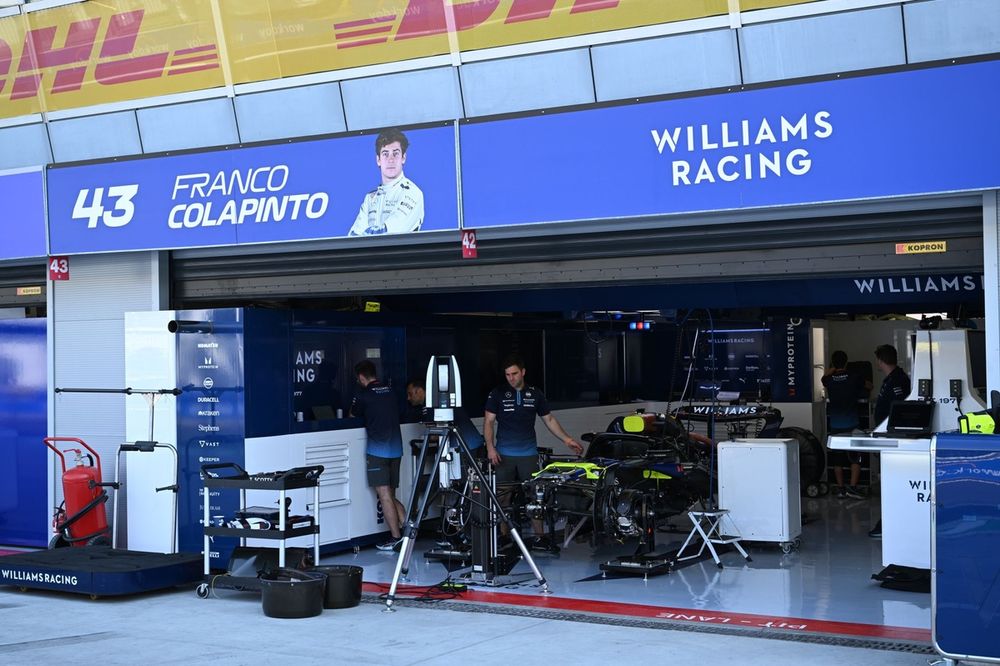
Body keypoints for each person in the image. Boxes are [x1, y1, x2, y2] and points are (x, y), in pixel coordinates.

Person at [484, 354, 583, 549]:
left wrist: (567, 439)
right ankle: (504, 535)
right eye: (507, 375)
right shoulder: (497, 393)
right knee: (503, 496)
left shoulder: (535, 393)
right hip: (503, 454)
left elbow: (549, 420)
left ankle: (540, 537)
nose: (511, 378)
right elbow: (488, 421)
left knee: (535, 496)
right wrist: (490, 447)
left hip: (528, 454)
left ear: (523, 372)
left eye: (514, 374)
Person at [350, 360, 406, 551]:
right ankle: (409, 530)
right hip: (396, 449)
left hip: (377, 451)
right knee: (390, 494)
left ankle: (396, 538)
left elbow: (353, 416)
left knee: (384, 495)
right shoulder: (390, 391)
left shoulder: (363, 395)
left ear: (361, 377)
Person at [868, 344, 912, 538]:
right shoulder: (892, 379)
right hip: (885, 436)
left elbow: (899, 409)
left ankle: (889, 522)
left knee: (891, 483)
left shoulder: (898, 380)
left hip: (892, 439)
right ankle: (887, 520)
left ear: (880, 360)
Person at [348, 127, 424, 237]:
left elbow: (392, 233)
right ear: (378, 160)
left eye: (395, 154)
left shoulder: (413, 193)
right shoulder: (370, 199)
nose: (391, 160)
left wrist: (365, 236)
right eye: (385, 154)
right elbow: (353, 237)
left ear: (403, 158)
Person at [821, 351, 871, 499]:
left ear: (832, 363)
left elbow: (823, 378)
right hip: (852, 423)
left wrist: (832, 369)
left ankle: (841, 489)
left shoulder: (829, 379)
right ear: (846, 362)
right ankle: (853, 488)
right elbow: (870, 385)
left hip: (836, 424)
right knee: (855, 457)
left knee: (837, 459)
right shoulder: (854, 377)